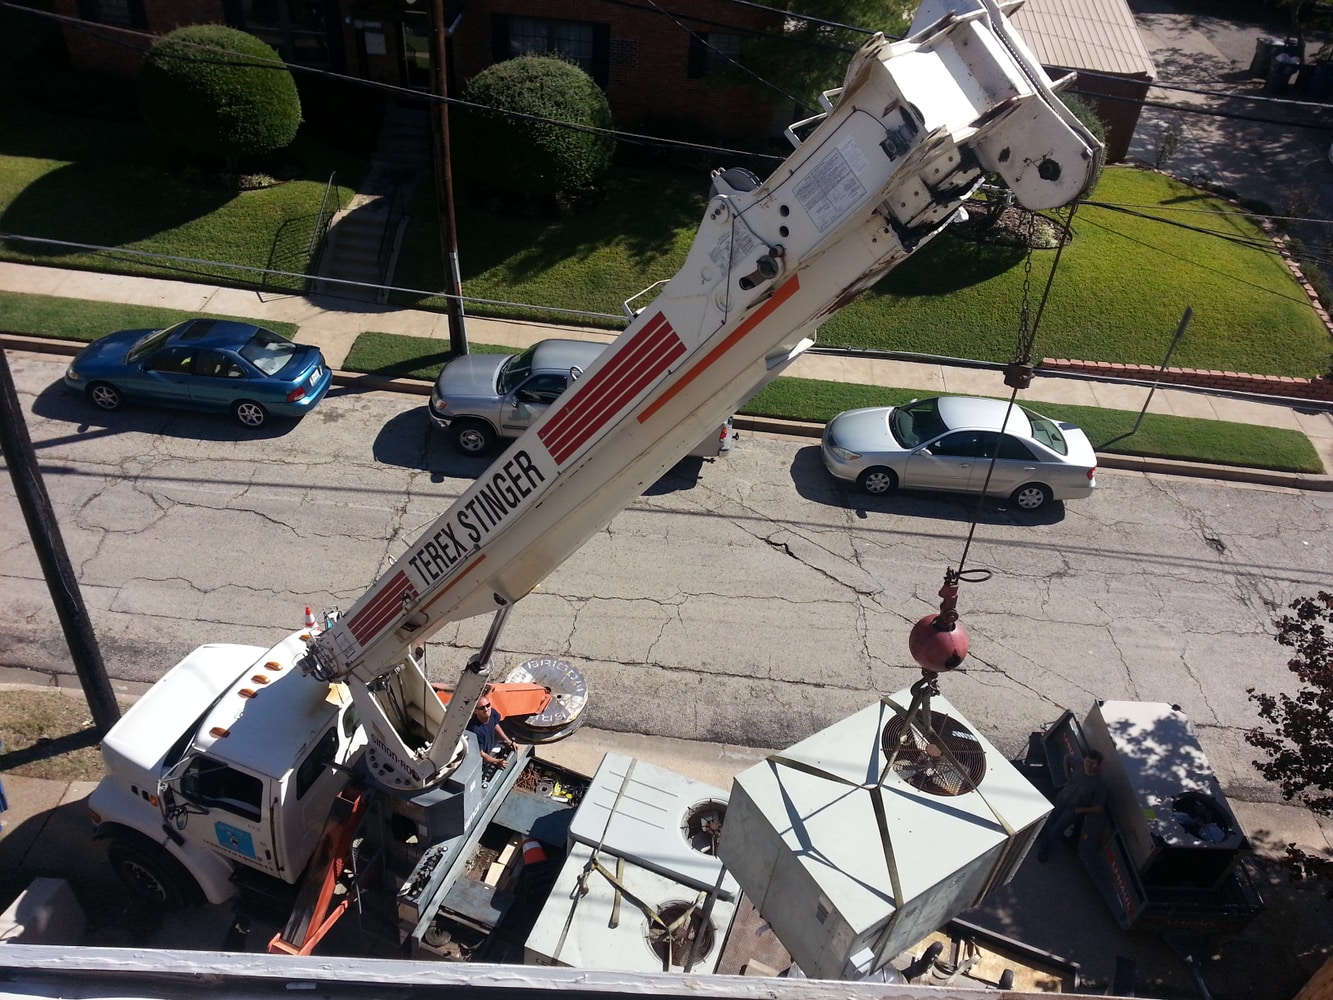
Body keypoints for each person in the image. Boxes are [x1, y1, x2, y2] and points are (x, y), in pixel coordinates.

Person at [1036, 749, 1106, 862]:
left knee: (1057, 829)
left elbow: (1099, 807)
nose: (1088, 765)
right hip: (1063, 798)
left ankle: (1044, 849)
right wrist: (1067, 776)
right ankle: (1040, 835)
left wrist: (1081, 810)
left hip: (1074, 809)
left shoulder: (1099, 784)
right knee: (1050, 819)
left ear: (1098, 765)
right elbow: (1067, 757)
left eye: (1092, 763)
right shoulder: (1080, 763)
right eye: (1087, 761)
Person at [466, 692, 517, 769]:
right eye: (481, 708)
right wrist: (496, 761)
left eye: (487, 705)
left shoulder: (492, 713)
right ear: (475, 711)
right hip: (477, 761)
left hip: (488, 751)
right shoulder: (474, 730)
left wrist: (508, 741)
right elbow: (480, 753)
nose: (486, 709)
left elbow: (495, 724)